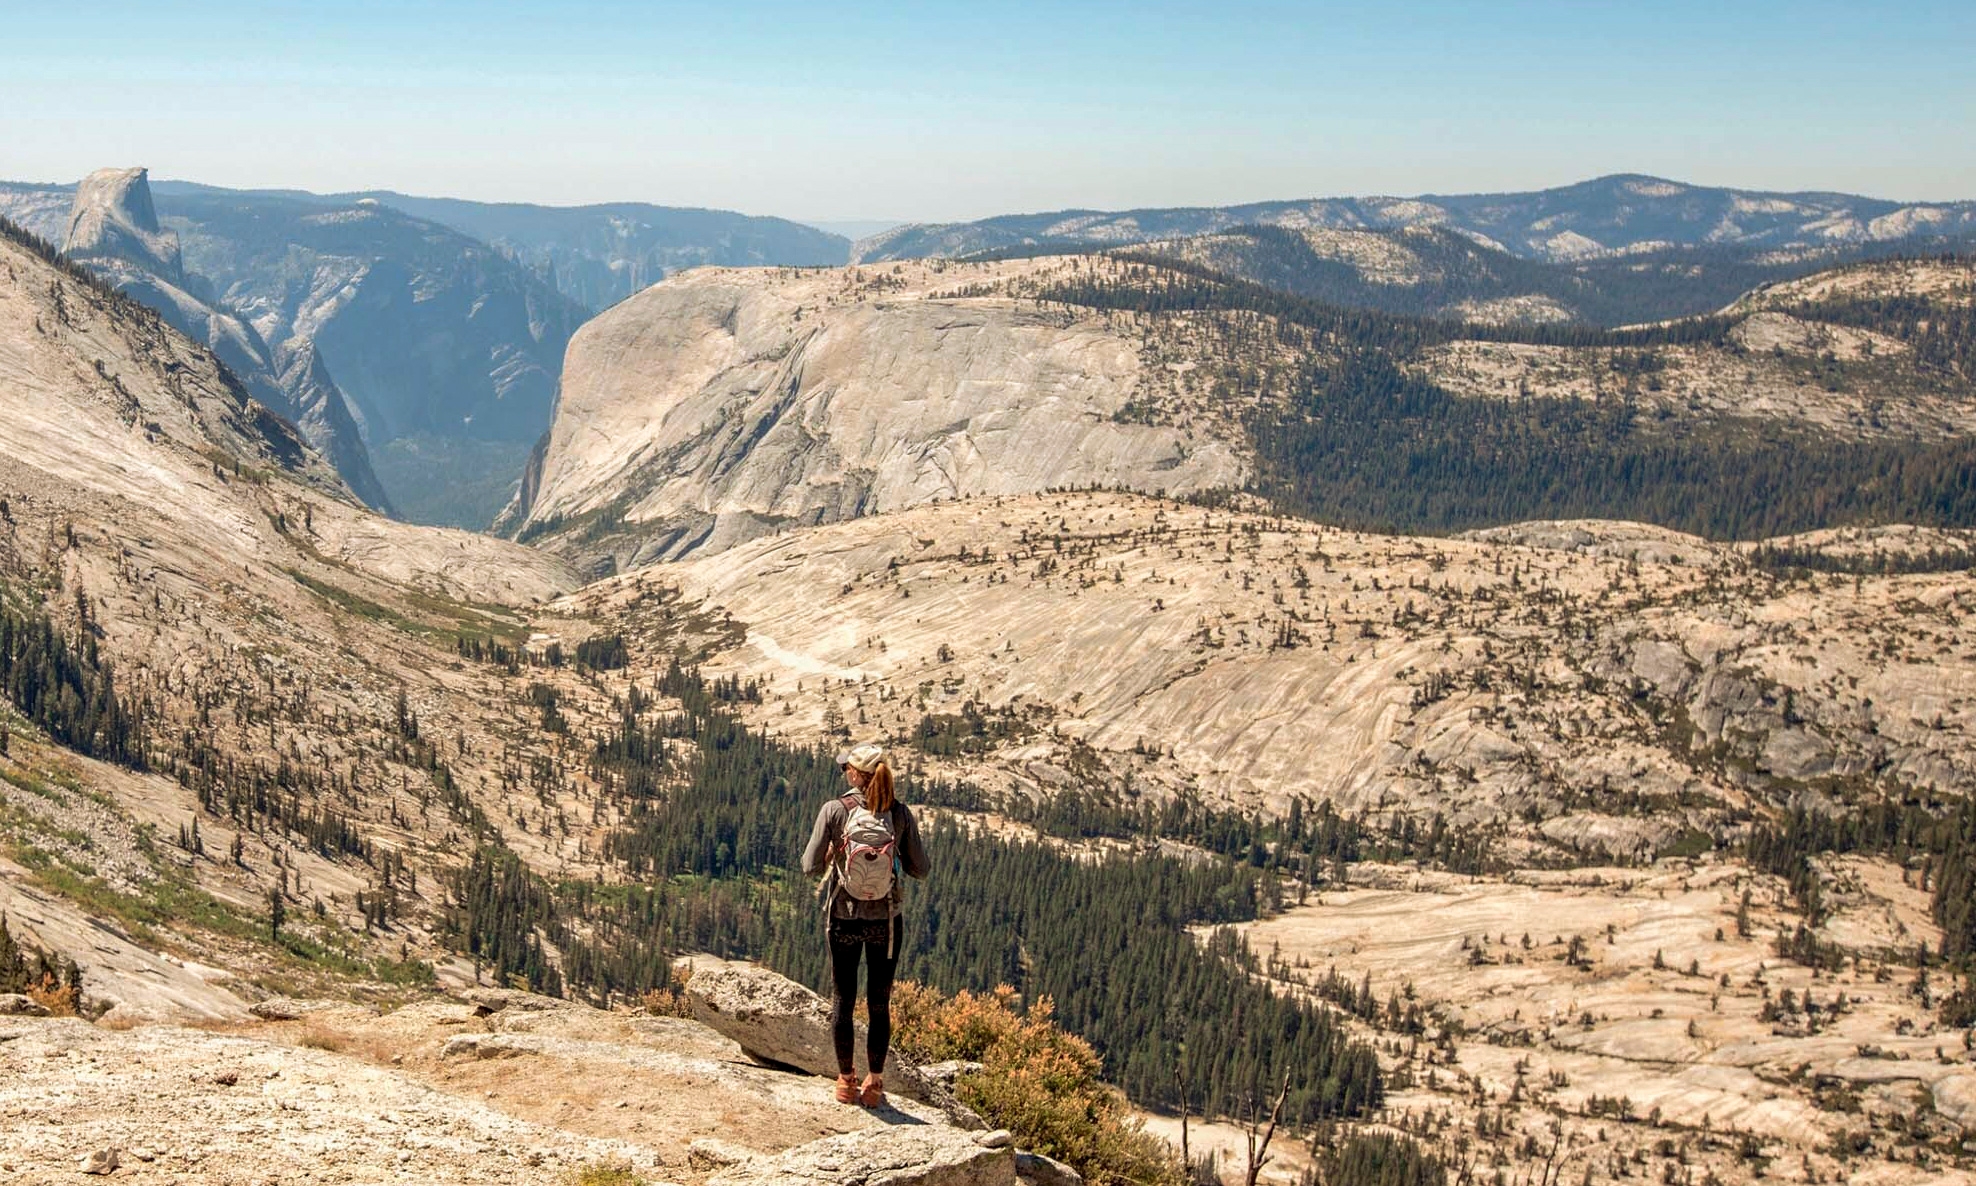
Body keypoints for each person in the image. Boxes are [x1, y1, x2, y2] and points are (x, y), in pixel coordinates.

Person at [801, 742, 928, 1107]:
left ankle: (844, 1081)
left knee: (843, 998)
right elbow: (920, 869)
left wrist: (832, 853)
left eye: (846, 769)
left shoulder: (834, 810)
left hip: (843, 917)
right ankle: (874, 1084)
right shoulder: (900, 814)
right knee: (878, 1003)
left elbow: (809, 865)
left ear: (856, 775)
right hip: (885, 922)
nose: (844, 773)